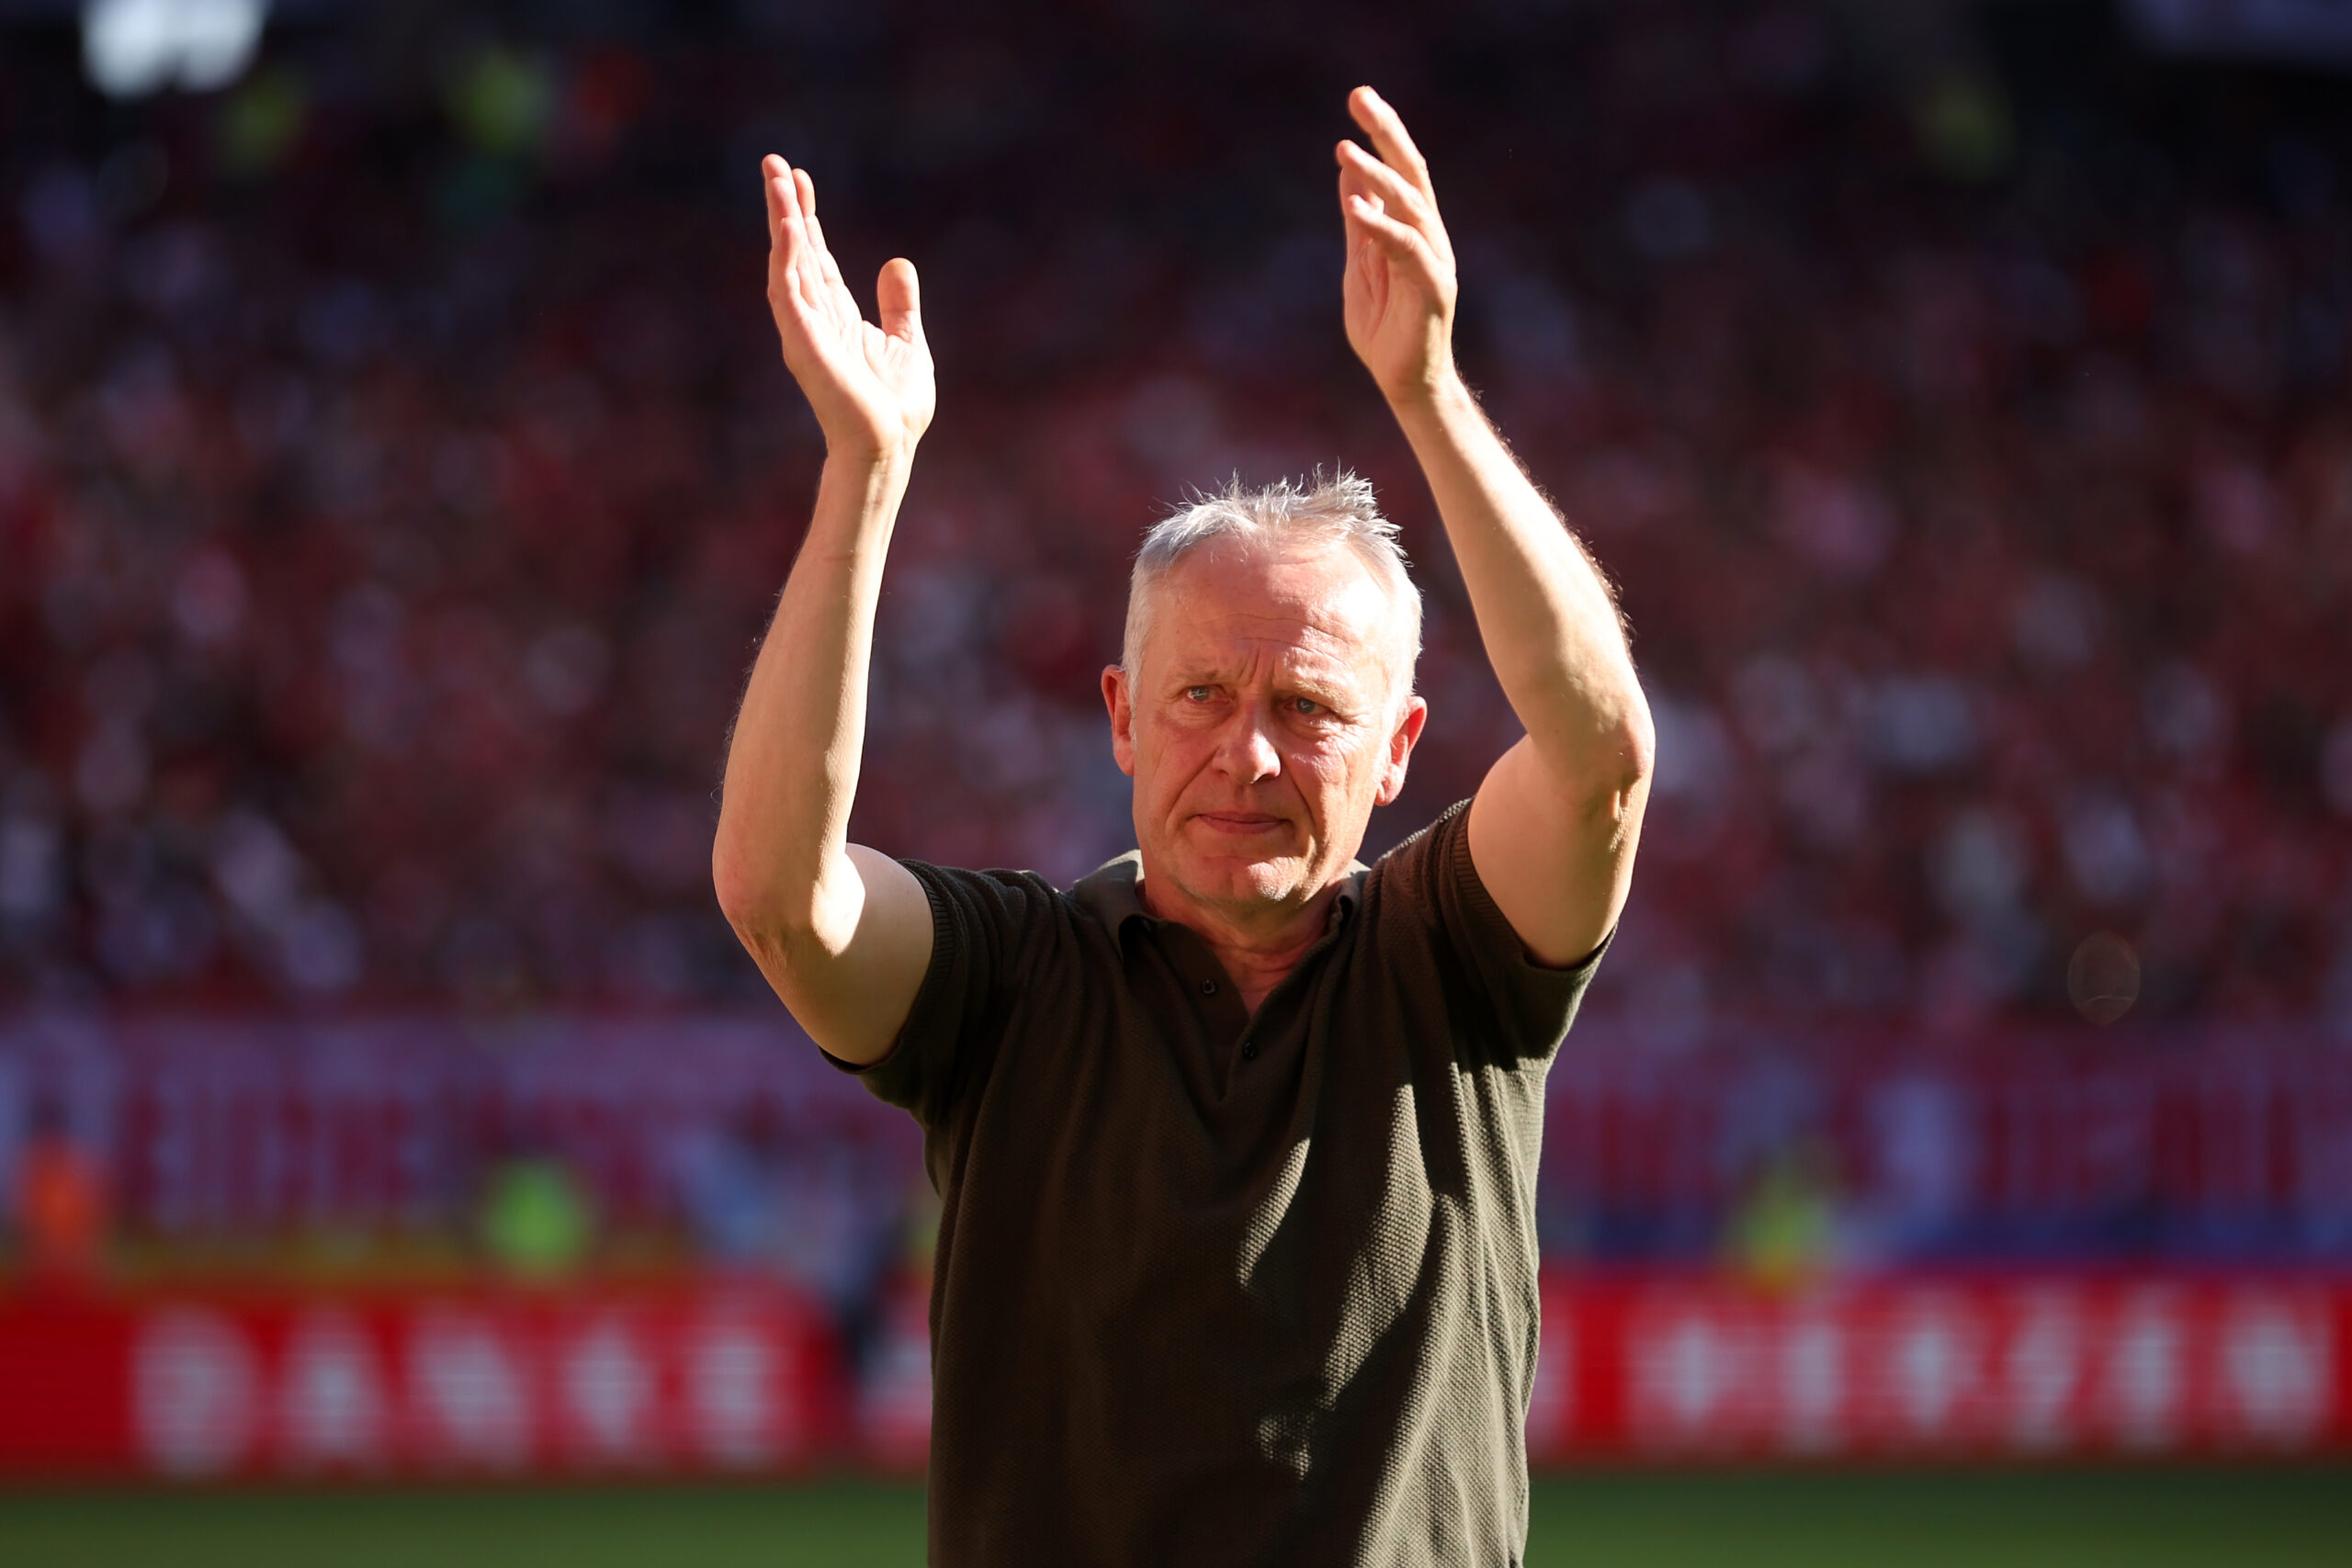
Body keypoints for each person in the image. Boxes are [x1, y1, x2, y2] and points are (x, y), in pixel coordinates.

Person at [715, 86, 1653, 1567]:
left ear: (1402, 749)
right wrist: (863, 480)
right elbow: (782, 896)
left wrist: (1427, 393)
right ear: (1122, 719)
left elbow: (1599, 761)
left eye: (1311, 706)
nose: (1248, 752)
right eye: (1201, 694)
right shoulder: (1010, 982)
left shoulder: (1455, 961)